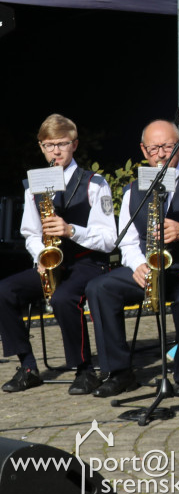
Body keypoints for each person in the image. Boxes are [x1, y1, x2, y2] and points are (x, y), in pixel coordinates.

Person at [87, 120, 179, 396]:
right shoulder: (133, 189)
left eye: (168, 146)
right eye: (154, 148)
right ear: (144, 150)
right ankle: (119, 372)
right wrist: (138, 264)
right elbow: (128, 241)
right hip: (153, 267)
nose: (161, 154)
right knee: (100, 288)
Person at [0, 114, 116, 395]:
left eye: (62, 144)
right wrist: (42, 256)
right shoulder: (34, 185)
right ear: (41, 147)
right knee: (4, 290)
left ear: (74, 145)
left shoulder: (94, 183)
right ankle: (27, 366)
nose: (55, 151)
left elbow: (110, 240)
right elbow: (30, 232)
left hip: (87, 262)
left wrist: (71, 230)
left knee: (64, 297)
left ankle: (84, 370)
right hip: (52, 262)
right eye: (49, 145)